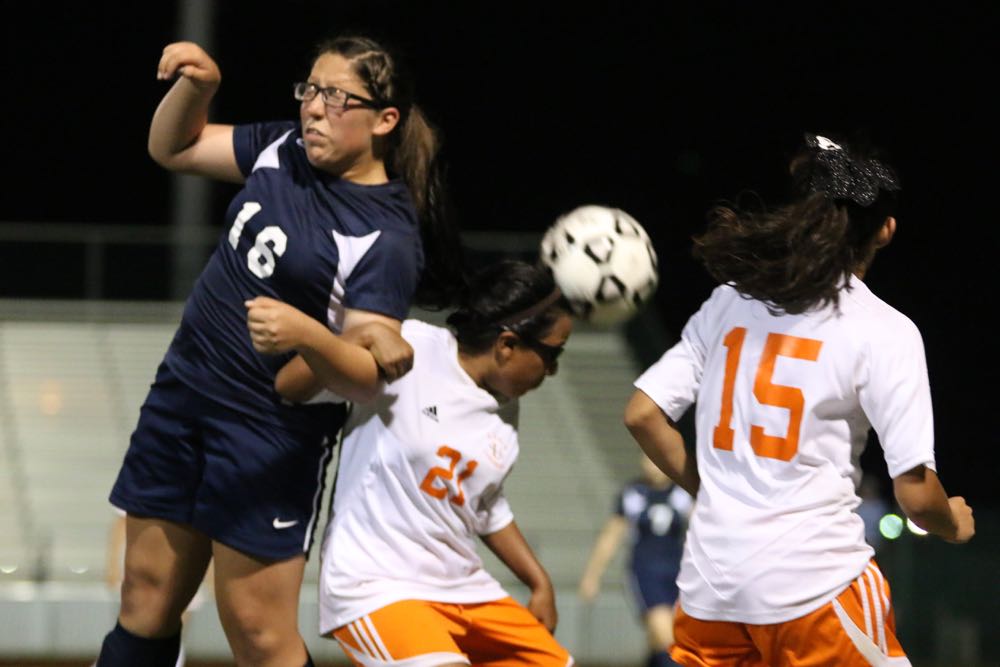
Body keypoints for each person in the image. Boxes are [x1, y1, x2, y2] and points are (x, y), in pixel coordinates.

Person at [98, 34, 461, 667]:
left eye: (337, 97)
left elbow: (368, 374)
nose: (314, 109)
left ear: (384, 120)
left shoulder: (387, 235)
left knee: (259, 635)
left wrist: (308, 335)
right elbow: (174, 147)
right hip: (183, 395)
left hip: (267, 434)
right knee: (145, 599)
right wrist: (199, 89)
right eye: (311, 90)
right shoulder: (284, 149)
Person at [624, 133, 975, 666]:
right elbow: (918, 498)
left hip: (711, 590)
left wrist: (710, 488)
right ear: (885, 230)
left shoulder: (729, 300)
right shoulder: (884, 330)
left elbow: (643, 415)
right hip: (814, 589)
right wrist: (952, 521)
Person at [266, 260, 574, 666]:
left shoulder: (504, 408)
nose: (552, 370)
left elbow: (485, 504)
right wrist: (358, 336)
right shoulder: (410, 346)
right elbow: (291, 387)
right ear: (507, 345)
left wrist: (539, 581)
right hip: (377, 584)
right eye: (552, 354)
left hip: (463, 589)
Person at [578, 453, 691, 667]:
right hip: (645, 572)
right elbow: (611, 536)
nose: (653, 465)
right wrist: (592, 576)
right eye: (649, 459)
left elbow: (702, 529)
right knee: (666, 635)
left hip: (677, 574)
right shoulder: (633, 494)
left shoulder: (682, 492)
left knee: (662, 639)